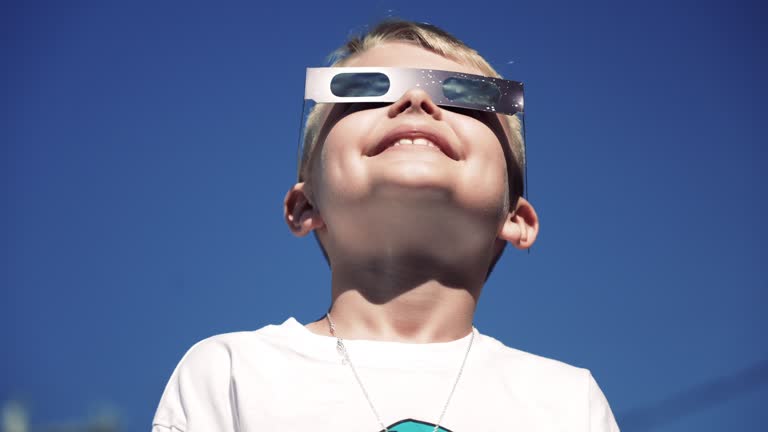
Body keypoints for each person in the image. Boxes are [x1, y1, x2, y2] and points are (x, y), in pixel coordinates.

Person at [152, 19, 620, 432]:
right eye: (364, 92)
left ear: (515, 218)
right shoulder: (232, 374)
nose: (416, 100)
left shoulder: (566, 403)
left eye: (466, 98)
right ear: (304, 205)